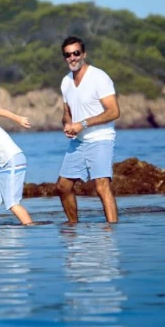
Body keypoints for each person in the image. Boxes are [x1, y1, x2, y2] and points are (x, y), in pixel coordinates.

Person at [56, 36, 120, 223]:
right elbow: (67, 113)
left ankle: (111, 232)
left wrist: (82, 124)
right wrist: (68, 125)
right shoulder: (66, 82)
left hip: (101, 138)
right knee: (63, 186)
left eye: (76, 53)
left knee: (101, 187)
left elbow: (114, 111)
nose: (72, 58)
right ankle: (73, 227)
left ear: (84, 54)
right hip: (79, 141)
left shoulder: (99, 77)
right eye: (68, 55)